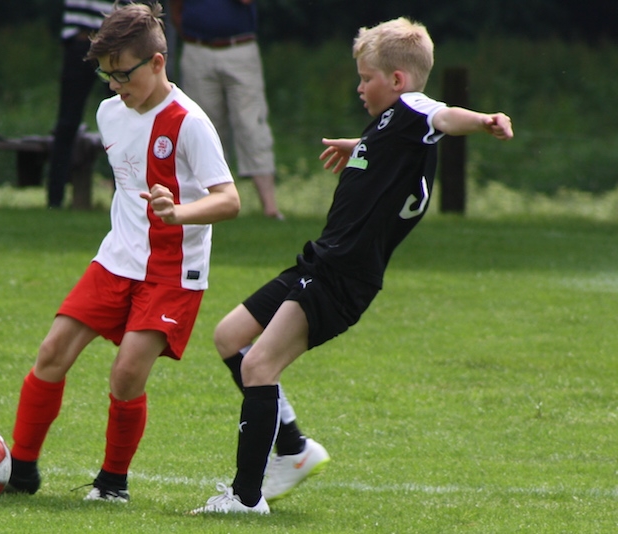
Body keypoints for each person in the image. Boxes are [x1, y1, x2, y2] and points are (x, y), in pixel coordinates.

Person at [191, 17, 514, 514]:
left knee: (258, 365)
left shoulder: (413, 109)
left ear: (398, 80)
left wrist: (485, 120)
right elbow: (402, 143)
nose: (360, 88)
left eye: (367, 78)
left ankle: (245, 499)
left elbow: (444, 116)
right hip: (322, 261)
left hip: (341, 277)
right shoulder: (392, 129)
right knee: (230, 337)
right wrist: (360, 147)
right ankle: (293, 448)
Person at [6, 2, 241, 502]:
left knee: (127, 373)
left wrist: (179, 213)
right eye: (106, 76)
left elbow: (229, 200)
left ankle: (113, 483)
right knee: (52, 353)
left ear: (157, 62)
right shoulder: (109, 113)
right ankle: (20, 472)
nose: (114, 87)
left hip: (172, 270)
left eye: (123, 75)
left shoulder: (190, 123)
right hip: (116, 259)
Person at [170, 0, 283, 220]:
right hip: (197, 48)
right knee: (201, 129)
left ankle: (270, 208)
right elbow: (176, 7)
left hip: (239, 48)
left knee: (251, 125)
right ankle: (206, 205)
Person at [46, 0, 131, 209]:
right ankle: (54, 199)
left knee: (123, 118)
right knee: (67, 123)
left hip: (115, 42)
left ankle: (124, 195)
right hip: (80, 41)